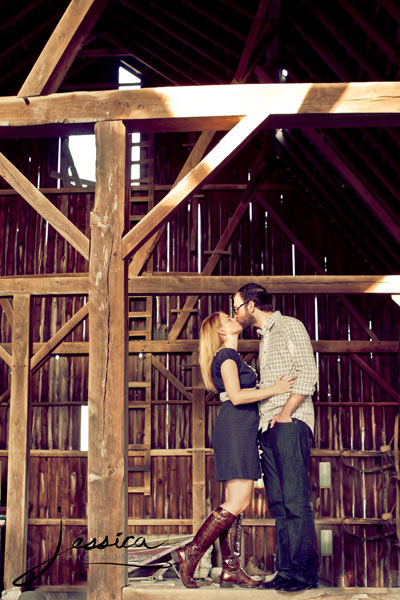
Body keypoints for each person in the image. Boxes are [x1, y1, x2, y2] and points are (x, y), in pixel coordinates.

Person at [172, 311, 296, 589]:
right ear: (221, 331)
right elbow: (238, 396)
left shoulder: (233, 357)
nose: (234, 318)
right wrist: (275, 389)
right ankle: (190, 554)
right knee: (238, 502)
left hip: (240, 428)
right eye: (228, 317)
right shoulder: (226, 356)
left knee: (235, 504)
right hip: (236, 428)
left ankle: (230, 568)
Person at [233, 283, 319, 592]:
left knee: (295, 500)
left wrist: (285, 413)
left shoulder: (289, 326)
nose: (236, 313)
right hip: (268, 428)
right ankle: (286, 571)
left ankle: (303, 574)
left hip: (290, 422)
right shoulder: (265, 338)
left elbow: (308, 372)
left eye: (237, 307)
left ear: (251, 306)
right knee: (279, 504)